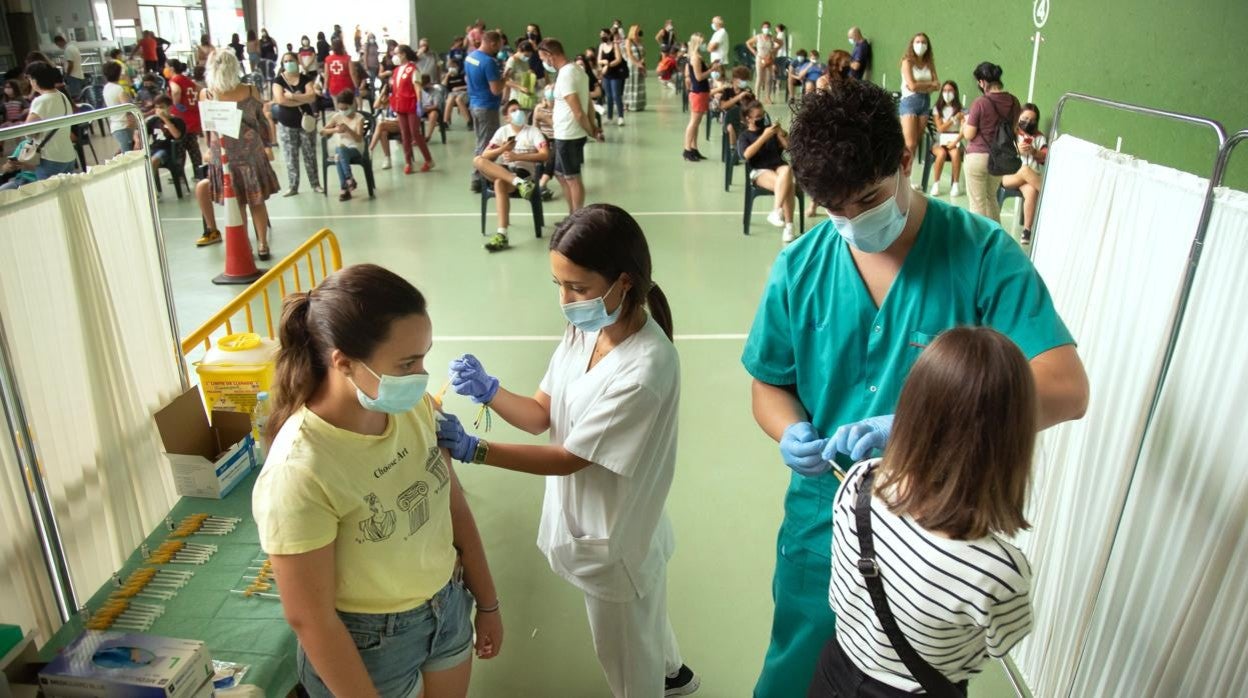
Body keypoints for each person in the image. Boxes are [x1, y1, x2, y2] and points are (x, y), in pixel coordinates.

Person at [742, 80, 1089, 698]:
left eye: (867, 201)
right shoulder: (800, 267)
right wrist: (788, 427)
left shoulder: (981, 255)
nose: (850, 223)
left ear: (906, 161)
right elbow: (770, 385)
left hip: (935, 540)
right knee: (795, 670)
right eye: (832, 209)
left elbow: (1065, 387)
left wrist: (924, 426)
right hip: (825, 521)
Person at [436, 204, 699, 698]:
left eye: (577, 287)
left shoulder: (643, 371)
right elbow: (542, 413)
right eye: (558, 284)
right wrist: (491, 391)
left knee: (625, 659)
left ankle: (652, 683)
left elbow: (569, 457)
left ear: (623, 282)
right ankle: (673, 672)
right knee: (646, 618)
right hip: (614, 522)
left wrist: (477, 450)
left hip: (614, 537)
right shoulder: (587, 327)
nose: (565, 299)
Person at [254, 264, 502, 698]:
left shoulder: (415, 408)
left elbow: (453, 507)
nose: (422, 375)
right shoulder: (299, 470)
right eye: (407, 362)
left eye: (424, 355)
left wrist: (488, 602)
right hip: (368, 644)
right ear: (344, 363)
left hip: (446, 607)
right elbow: (310, 617)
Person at [807, 327, 1036, 696]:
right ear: (1012, 441)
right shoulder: (1001, 571)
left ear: (910, 411)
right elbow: (998, 644)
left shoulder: (859, 482)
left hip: (834, 674)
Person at [195, 50, 280, 256]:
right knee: (256, 202)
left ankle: (247, 246)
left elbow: (207, 128)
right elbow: (261, 122)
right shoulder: (250, 90)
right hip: (250, 153)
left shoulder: (206, 94)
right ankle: (262, 244)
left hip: (224, 155)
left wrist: (208, 149)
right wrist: (267, 145)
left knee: (236, 203)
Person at [473, 99, 548, 252]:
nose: (518, 112)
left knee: (499, 183)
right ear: (507, 117)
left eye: (519, 109)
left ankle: (502, 234)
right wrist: (502, 149)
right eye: (513, 110)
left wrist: (518, 157)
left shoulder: (533, 131)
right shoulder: (502, 131)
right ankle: (519, 183)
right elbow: (486, 154)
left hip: (523, 171)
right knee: (478, 160)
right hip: (503, 169)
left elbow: (545, 155)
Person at [538, 39, 600, 215]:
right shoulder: (577, 71)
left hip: (569, 136)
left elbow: (579, 112)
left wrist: (591, 131)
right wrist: (593, 126)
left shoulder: (566, 75)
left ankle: (577, 218)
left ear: (551, 55)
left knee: (573, 178)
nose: (544, 62)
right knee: (559, 174)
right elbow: (588, 102)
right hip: (563, 134)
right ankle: (571, 213)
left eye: (543, 58)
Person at [962, 61, 1021, 223]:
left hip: (977, 157)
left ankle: (980, 241)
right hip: (999, 158)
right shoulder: (1014, 102)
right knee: (991, 199)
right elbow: (1013, 129)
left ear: (982, 82)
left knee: (977, 203)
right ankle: (996, 237)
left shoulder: (980, 103)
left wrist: (964, 123)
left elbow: (969, 133)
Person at [6, 62, 76, 185]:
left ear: (34, 80)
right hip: (68, 155)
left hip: (50, 159)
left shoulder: (41, 101)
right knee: (66, 193)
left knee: (50, 197)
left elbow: (29, 132)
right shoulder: (62, 96)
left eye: (29, 79)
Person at [738, 101, 798, 243]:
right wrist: (764, 136)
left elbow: (790, 148)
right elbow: (745, 155)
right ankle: (789, 227)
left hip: (778, 166)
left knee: (787, 170)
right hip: (759, 170)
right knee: (787, 185)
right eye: (758, 116)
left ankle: (776, 211)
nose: (762, 118)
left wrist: (781, 133)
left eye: (763, 114)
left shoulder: (770, 130)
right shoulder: (745, 136)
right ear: (749, 118)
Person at [271, 52, 323, 196]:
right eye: (285, 61)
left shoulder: (306, 79)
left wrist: (293, 96)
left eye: (291, 60)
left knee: (310, 155)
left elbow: (311, 97)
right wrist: (302, 99)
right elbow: (280, 100)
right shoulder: (278, 81)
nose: (288, 63)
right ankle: (293, 186)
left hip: (306, 123)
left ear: (297, 62)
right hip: (286, 124)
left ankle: (315, 184)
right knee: (290, 157)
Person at [1001, 103, 1049, 244]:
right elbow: (1000, 153)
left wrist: (1034, 151)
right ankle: (1049, 196)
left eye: (1032, 120)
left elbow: (1045, 157)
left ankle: (1027, 230)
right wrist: (1017, 151)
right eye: (1025, 118)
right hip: (1009, 176)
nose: (1028, 122)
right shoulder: (1011, 132)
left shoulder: (1040, 138)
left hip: (1028, 181)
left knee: (1032, 191)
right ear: (1019, 117)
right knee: (1024, 169)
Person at [465, 32, 504, 192]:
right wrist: (504, 79)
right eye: (498, 46)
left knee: (481, 142)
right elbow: (496, 90)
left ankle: (480, 175)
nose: (499, 49)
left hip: (474, 104)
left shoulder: (470, 57)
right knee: (489, 144)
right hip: (487, 107)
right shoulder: (489, 62)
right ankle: (480, 178)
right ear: (492, 44)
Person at [391, 44, 435, 175]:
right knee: (404, 134)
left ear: (403, 54)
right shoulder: (396, 70)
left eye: (397, 53)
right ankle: (408, 162)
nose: (395, 57)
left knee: (415, 132)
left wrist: (419, 103)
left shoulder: (413, 70)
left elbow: (417, 87)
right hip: (399, 105)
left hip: (411, 104)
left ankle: (428, 159)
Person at [899, 33, 939, 167]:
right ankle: (900, 172)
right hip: (909, 102)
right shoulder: (907, 62)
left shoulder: (929, 63)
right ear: (912, 44)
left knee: (915, 142)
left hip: (924, 102)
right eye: (917, 42)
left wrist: (919, 85)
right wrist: (928, 85)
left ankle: (908, 175)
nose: (920, 45)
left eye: (923, 42)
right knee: (909, 143)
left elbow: (937, 84)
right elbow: (912, 86)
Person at [320, 90, 365, 201]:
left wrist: (348, 130)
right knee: (338, 154)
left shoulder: (359, 118)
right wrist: (335, 129)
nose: (343, 111)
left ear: (352, 105)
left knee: (339, 151)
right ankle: (348, 182)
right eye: (341, 109)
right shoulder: (337, 117)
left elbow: (359, 138)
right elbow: (322, 131)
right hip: (341, 150)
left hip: (355, 148)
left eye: (345, 109)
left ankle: (345, 186)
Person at [168, 60, 204, 176]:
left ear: (172, 68)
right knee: (194, 148)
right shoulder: (187, 80)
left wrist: (177, 105)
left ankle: (180, 176)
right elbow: (201, 89)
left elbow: (176, 91)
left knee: (180, 150)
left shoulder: (175, 80)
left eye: (166, 67)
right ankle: (199, 173)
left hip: (182, 119)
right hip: (193, 117)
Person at [929, 81, 964, 197]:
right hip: (939, 141)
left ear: (955, 92)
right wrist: (954, 119)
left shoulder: (961, 109)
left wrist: (956, 142)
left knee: (955, 154)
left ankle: (955, 184)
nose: (947, 93)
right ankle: (936, 184)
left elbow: (964, 128)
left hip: (954, 139)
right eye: (944, 91)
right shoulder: (937, 109)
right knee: (941, 154)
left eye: (950, 91)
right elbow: (940, 128)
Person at [682, 33, 714, 162]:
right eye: (703, 43)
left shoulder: (697, 57)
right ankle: (687, 149)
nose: (705, 45)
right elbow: (699, 77)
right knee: (693, 122)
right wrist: (712, 70)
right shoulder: (695, 58)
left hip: (702, 91)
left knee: (697, 123)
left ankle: (694, 148)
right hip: (698, 92)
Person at [711, 66, 753, 152]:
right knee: (730, 127)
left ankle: (746, 149)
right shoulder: (727, 90)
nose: (744, 82)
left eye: (745, 80)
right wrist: (738, 97)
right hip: (728, 119)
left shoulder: (747, 91)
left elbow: (751, 107)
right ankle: (733, 150)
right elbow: (723, 106)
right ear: (735, 79)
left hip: (744, 119)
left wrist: (743, 102)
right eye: (742, 79)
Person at [102, 61, 138, 154]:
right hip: (124, 125)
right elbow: (128, 109)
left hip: (115, 125)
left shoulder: (106, 88)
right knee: (128, 155)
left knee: (124, 151)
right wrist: (133, 126)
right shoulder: (119, 89)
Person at [146, 95, 185, 177]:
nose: (159, 110)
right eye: (157, 107)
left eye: (161, 107)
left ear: (169, 107)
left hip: (168, 151)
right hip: (154, 148)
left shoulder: (177, 121)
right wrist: (137, 139)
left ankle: (149, 186)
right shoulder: (153, 121)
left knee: (153, 161)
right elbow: (141, 131)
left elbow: (177, 135)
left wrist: (164, 118)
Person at [597, 28, 627, 126]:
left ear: (609, 35)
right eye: (601, 35)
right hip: (606, 75)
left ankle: (620, 117)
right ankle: (609, 117)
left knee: (616, 95)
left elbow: (618, 59)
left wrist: (608, 65)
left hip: (616, 74)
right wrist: (604, 63)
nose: (602, 36)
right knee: (608, 96)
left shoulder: (615, 45)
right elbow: (599, 60)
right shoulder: (601, 46)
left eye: (604, 34)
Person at [746, 21, 777, 103]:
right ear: (762, 28)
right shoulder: (758, 37)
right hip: (760, 58)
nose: (766, 29)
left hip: (769, 59)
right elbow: (748, 43)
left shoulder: (771, 37)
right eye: (764, 27)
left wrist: (774, 50)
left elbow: (780, 43)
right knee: (759, 78)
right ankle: (756, 97)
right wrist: (754, 51)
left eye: (767, 27)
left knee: (768, 79)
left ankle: (767, 97)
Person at [505, 41, 538, 111]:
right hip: (516, 97)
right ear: (519, 50)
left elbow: (525, 74)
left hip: (526, 98)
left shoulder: (525, 61)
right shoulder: (511, 61)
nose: (527, 58)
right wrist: (520, 87)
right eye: (525, 56)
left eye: (529, 56)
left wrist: (531, 75)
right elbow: (505, 81)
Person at [324, 39, 357, 104]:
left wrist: (326, 88)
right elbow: (352, 73)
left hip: (334, 87)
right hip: (347, 86)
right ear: (342, 46)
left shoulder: (328, 59)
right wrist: (356, 87)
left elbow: (326, 75)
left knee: (338, 107)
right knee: (350, 105)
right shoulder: (347, 58)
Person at [624, 25, 647, 113]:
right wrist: (636, 63)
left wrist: (642, 61)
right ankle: (627, 104)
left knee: (639, 83)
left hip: (640, 64)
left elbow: (643, 52)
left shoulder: (640, 41)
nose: (638, 32)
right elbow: (629, 53)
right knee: (630, 83)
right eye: (637, 30)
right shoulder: (628, 41)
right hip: (632, 65)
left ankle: (638, 105)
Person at [441, 59, 470, 128]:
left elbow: (469, 85)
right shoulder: (447, 76)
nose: (450, 67)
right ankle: (445, 121)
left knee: (458, 99)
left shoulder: (463, 75)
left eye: (451, 65)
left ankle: (469, 121)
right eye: (448, 66)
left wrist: (459, 88)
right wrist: (447, 76)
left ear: (456, 65)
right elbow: (443, 86)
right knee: (451, 97)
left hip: (463, 93)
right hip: (452, 94)